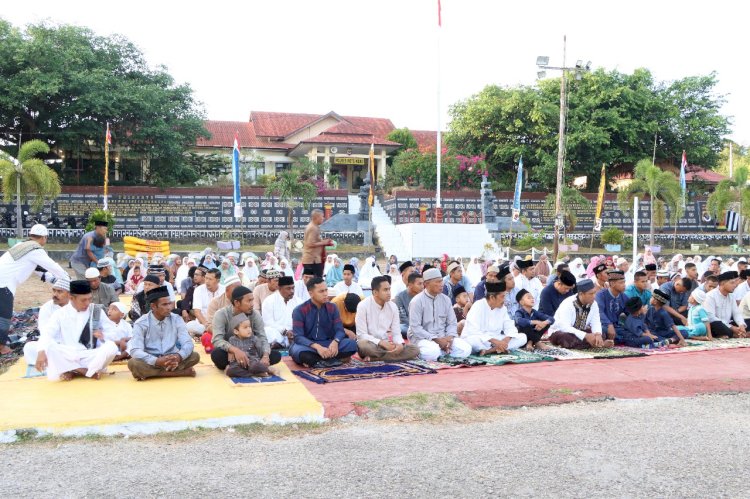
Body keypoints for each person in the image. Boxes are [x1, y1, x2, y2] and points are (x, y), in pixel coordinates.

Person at [28, 280, 119, 381]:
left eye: (89, 299)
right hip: (69, 355)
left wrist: (103, 336)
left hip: (91, 355)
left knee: (112, 347)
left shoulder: (96, 311)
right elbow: (47, 333)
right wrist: (41, 351)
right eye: (83, 300)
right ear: (71, 298)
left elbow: (113, 333)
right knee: (49, 347)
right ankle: (83, 371)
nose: (87, 303)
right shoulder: (60, 314)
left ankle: (73, 369)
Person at [0, 224, 69, 355]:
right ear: (44, 238)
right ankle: (1, 347)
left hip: (3, 281)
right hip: (3, 284)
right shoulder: (36, 250)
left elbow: (40, 270)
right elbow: (53, 267)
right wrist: (68, 280)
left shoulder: (21, 246)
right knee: (4, 316)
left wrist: (56, 281)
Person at [127, 286, 199, 380]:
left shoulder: (176, 319)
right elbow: (135, 350)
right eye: (164, 305)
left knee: (195, 356)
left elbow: (188, 343)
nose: (169, 307)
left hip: (173, 359)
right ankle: (179, 372)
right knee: (134, 363)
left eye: (169, 303)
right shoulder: (141, 323)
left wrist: (178, 356)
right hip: (152, 361)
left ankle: (153, 374)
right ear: (153, 306)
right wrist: (156, 361)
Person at [290, 277, 358, 368]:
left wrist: (335, 342)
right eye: (321, 291)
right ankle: (329, 359)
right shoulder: (300, 310)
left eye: (326, 290)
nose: (326, 294)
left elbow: (340, 330)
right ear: (311, 294)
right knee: (299, 352)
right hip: (308, 346)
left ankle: (319, 360)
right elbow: (298, 336)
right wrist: (317, 347)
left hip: (328, 343)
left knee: (352, 345)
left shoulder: (332, 307)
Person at [408, 268, 472, 361]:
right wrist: (436, 340)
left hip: (444, 337)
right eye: (437, 282)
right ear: (426, 284)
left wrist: (449, 338)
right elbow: (415, 328)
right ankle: (439, 353)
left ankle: (441, 352)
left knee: (466, 349)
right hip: (423, 338)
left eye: (441, 281)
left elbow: (452, 323)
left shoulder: (446, 300)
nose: (441, 284)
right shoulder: (417, 301)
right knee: (432, 352)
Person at [210, 286, 279, 371]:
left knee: (275, 355)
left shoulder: (255, 315)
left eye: (252, 300)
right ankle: (254, 367)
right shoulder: (221, 314)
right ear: (237, 303)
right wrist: (234, 350)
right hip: (230, 352)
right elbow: (217, 340)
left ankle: (241, 366)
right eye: (249, 301)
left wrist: (265, 356)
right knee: (217, 354)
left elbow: (262, 337)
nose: (252, 304)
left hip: (251, 351)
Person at [356, 275, 420, 362]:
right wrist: (381, 343)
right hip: (371, 344)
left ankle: (376, 358)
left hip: (386, 346)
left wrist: (400, 344)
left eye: (389, 289)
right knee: (363, 344)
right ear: (375, 292)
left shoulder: (393, 307)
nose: (389, 292)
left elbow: (396, 333)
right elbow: (361, 335)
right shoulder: (363, 306)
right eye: (385, 290)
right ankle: (390, 357)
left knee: (414, 349)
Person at [463, 281, 527, 355]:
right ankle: (495, 349)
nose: (505, 300)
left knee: (523, 337)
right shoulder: (478, 306)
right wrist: (495, 341)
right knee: (473, 341)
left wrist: (506, 340)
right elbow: (473, 330)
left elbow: (509, 326)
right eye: (502, 297)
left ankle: (491, 350)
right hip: (480, 339)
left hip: (496, 339)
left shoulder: (503, 308)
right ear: (492, 297)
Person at [548, 279, 611, 349]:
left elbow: (595, 321)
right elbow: (564, 327)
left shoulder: (594, 303)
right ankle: (597, 344)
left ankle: (595, 343)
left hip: (580, 332)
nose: (594, 296)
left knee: (603, 333)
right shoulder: (568, 304)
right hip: (561, 332)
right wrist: (586, 336)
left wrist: (598, 334)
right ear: (581, 294)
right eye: (591, 294)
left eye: (594, 293)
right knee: (566, 338)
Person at [225, 313, 280, 378]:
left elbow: (260, 351)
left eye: (249, 326)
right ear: (236, 331)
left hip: (252, 363)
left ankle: (269, 370)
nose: (249, 329)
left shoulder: (254, 339)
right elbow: (230, 350)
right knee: (230, 371)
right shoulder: (232, 340)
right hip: (238, 364)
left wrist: (263, 358)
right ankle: (254, 374)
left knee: (255, 367)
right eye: (245, 327)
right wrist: (230, 353)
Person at [702, 271, 747, 338]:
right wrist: (731, 327)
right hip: (715, 324)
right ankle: (733, 334)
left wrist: (741, 325)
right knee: (716, 324)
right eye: (732, 283)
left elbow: (736, 313)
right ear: (722, 283)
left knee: (746, 322)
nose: (735, 285)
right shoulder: (710, 296)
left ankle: (733, 333)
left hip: (727, 324)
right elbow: (711, 317)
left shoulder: (731, 296)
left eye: (735, 283)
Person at [261, 275, 300, 349]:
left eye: (293, 288)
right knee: (267, 331)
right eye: (288, 288)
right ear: (279, 288)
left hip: (294, 332)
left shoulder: (298, 301)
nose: (292, 291)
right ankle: (282, 343)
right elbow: (268, 322)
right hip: (277, 332)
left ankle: (283, 343)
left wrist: (293, 331)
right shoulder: (269, 301)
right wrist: (285, 331)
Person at [188, 268, 224, 336]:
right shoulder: (199, 290)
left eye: (210, 279)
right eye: (206, 278)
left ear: (218, 281)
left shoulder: (224, 290)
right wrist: (207, 326)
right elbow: (197, 311)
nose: (207, 281)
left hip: (220, 324)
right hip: (203, 324)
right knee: (190, 326)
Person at [594, 270, 628, 342]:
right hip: (602, 326)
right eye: (621, 283)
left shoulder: (623, 297)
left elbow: (630, 312)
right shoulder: (601, 295)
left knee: (630, 333)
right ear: (612, 284)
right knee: (602, 331)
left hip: (616, 327)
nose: (624, 285)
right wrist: (609, 324)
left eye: (624, 282)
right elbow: (599, 312)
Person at [301, 209, 332, 277]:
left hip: (313, 259)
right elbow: (310, 243)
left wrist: (324, 242)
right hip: (311, 260)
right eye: (322, 216)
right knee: (315, 281)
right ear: (316, 217)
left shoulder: (314, 226)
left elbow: (314, 242)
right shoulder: (313, 228)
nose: (323, 218)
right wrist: (324, 243)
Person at [394, 272, 423, 338]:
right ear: (410, 285)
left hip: (423, 325)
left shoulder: (424, 296)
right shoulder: (400, 297)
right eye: (419, 284)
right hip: (408, 325)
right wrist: (416, 327)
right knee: (400, 328)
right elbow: (403, 317)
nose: (422, 286)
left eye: (422, 284)